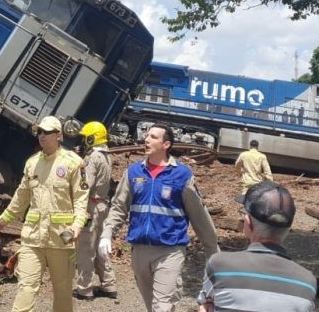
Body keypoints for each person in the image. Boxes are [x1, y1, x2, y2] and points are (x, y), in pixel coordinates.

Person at [99, 123, 219, 312]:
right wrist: (107, 233)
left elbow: (198, 214)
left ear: (166, 145)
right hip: (139, 250)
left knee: (161, 307)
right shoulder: (133, 172)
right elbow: (119, 207)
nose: (146, 139)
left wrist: (212, 247)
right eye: (147, 136)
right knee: (152, 306)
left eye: (153, 137)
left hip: (170, 251)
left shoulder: (181, 175)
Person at [0, 115, 88, 312]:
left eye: (47, 132)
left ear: (59, 135)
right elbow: (21, 197)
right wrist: (2, 220)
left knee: (62, 292)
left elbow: (81, 199)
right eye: (39, 131)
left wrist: (77, 225)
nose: (41, 136)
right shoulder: (32, 163)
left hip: (61, 240)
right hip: (33, 238)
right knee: (26, 287)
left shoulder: (74, 163)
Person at [197, 181, 316, 311]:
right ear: (288, 229)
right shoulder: (307, 282)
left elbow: (206, 305)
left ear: (248, 223)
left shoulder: (219, 264)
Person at [72, 121, 117, 300]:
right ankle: (109, 284)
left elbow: (85, 184)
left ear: (92, 138)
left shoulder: (92, 158)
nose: (83, 140)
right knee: (100, 248)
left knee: (85, 249)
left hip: (91, 206)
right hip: (103, 205)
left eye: (85, 137)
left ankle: (84, 289)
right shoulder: (106, 155)